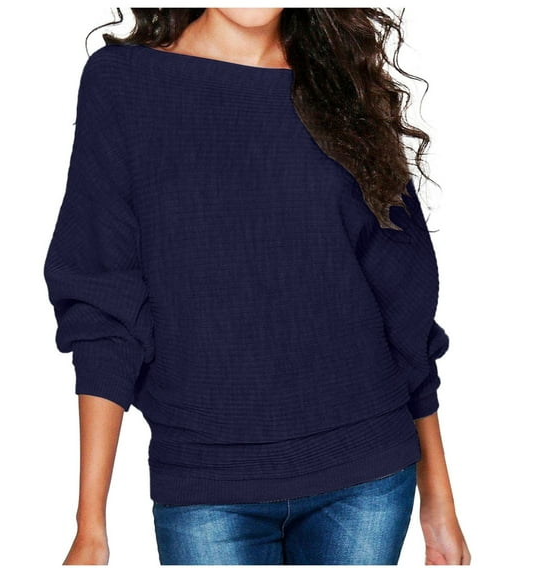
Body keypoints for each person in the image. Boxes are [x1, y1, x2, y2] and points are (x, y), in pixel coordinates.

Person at [43, 8, 471, 566]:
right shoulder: (123, 82)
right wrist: (90, 524)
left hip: (367, 473)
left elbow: (404, 306)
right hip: (207, 480)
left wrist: (438, 497)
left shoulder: (344, 84)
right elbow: (103, 300)